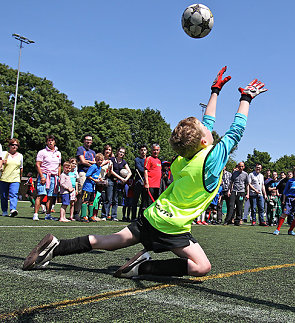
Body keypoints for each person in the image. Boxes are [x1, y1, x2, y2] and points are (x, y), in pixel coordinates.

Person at [23, 68, 267, 280]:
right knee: (202, 266)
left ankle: (57, 247)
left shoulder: (183, 160)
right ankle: (143, 267)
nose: (208, 125)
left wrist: (215, 91)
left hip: (153, 216)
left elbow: (208, 122)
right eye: (205, 128)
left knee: (111, 241)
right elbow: (236, 131)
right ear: (204, 141)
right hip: (172, 226)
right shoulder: (210, 163)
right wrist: (246, 98)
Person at [33, 135, 62, 221]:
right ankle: (36, 214)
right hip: (44, 175)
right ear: (46, 142)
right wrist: (42, 176)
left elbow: (59, 166)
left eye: (52, 140)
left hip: (54, 176)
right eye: (49, 140)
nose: (50, 142)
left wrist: (59, 176)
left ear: (55, 142)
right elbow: (38, 164)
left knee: (51, 196)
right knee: (41, 195)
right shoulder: (42, 152)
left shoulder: (58, 153)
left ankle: (48, 214)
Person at [273, 166, 295, 236]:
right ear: (293, 172)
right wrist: (284, 200)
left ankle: (290, 230)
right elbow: (285, 192)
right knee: (284, 213)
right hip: (289, 199)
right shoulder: (290, 181)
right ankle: (277, 229)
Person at [106, 147, 132, 221]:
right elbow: (111, 171)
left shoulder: (124, 162)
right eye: (120, 152)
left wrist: (125, 179)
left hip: (118, 182)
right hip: (111, 180)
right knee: (108, 198)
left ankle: (114, 216)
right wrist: (121, 178)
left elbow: (130, 172)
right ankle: (105, 215)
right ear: (117, 152)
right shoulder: (112, 160)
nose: (121, 153)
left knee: (115, 199)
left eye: (123, 152)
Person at [0, 138, 23, 217]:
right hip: (4, 177)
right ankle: (4, 210)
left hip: (15, 178)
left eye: (16, 145)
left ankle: (13, 209)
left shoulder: (20, 156)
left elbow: (21, 168)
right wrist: (2, 162)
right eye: (12, 145)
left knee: (14, 194)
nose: (14, 146)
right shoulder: (4, 154)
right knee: (3, 196)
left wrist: (20, 177)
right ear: (9, 146)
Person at [75, 135, 96, 218]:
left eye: (90, 140)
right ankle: (77, 212)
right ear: (84, 141)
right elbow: (83, 161)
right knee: (81, 193)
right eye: (87, 140)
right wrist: (91, 163)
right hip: (83, 172)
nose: (88, 141)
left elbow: (95, 162)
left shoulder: (93, 152)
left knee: (89, 195)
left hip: (91, 175)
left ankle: (86, 215)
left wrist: (88, 162)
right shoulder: (80, 149)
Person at [80, 154, 104, 222]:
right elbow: (87, 175)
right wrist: (94, 180)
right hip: (87, 187)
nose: (100, 161)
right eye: (98, 160)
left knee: (91, 202)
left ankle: (90, 216)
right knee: (85, 201)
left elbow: (95, 176)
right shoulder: (93, 166)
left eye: (101, 160)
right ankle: (83, 216)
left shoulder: (99, 168)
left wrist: (99, 179)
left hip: (92, 188)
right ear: (95, 160)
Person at [225, 162, 249, 226]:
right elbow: (231, 183)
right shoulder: (234, 173)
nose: (240, 168)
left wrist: (247, 194)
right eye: (239, 166)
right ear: (237, 167)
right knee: (231, 205)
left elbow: (247, 185)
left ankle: (237, 221)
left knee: (239, 207)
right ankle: (227, 220)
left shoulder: (246, 174)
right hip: (234, 191)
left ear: (244, 167)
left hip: (241, 192)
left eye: (242, 166)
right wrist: (229, 191)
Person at [131, 145, 148, 222]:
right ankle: (133, 217)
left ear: (147, 151)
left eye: (144, 150)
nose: (143, 151)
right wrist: (147, 170)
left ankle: (140, 217)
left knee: (144, 201)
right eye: (141, 150)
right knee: (135, 200)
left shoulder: (148, 159)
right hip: (139, 182)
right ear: (139, 151)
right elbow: (140, 169)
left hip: (146, 182)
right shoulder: (137, 159)